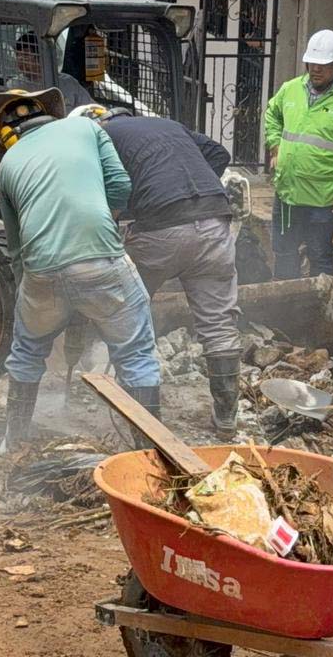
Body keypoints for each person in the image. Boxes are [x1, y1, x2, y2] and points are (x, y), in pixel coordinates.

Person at [0, 89, 160, 449]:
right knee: (136, 353)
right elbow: (120, 185)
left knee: (26, 351)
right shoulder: (86, 128)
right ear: (48, 112)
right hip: (101, 259)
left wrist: (32, 296)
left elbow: (16, 247)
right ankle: (150, 453)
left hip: (40, 270)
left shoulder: (6, 166)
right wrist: (102, 222)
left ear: (6, 136)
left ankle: (13, 443)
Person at [72, 104, 241, 437]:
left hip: (161, 229)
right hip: (215, 222)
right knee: (218, 322)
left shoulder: (100, 136)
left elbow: (102, 192)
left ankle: (126, 402)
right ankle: (226, 420)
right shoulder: (168, 124)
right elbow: (218, 154)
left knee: (122, 309)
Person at [263, 29, 333, 279]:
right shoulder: (290, 90)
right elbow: (272, 114)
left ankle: (317, 303)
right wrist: (275, 144)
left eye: (323, 64)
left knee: (320, 256)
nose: (316, 69)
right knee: (284, 252)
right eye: (312, 63)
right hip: (288, 193)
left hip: (323, 200)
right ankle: (286, 300)